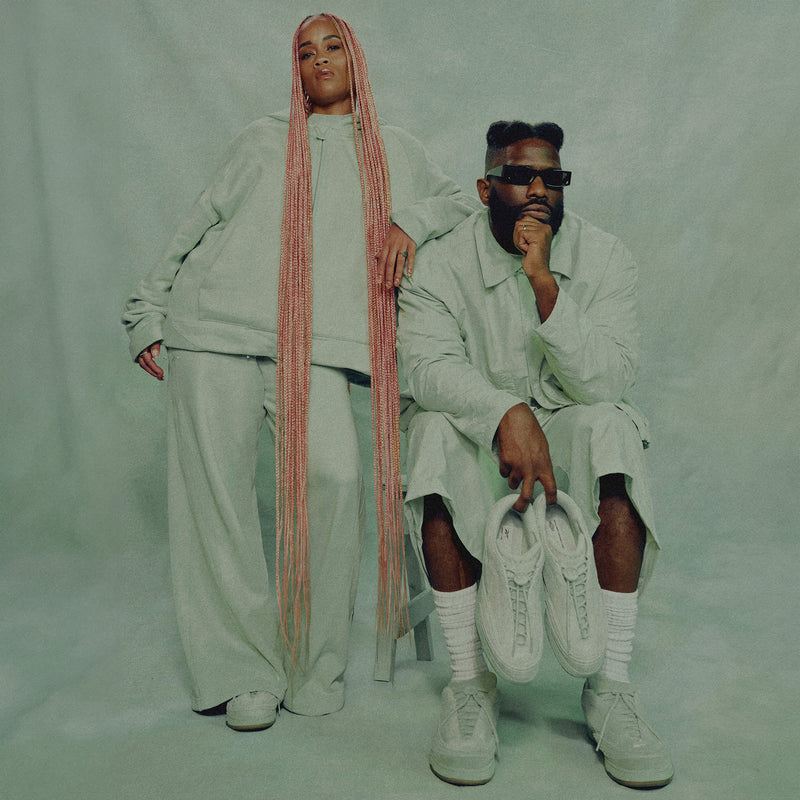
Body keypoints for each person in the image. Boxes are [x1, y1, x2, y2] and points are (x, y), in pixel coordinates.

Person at [122, 14, 478, 732]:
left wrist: (408, 220)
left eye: (333, 45)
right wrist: (146, 311)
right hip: (213, 331)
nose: (320, 59)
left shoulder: (395, 150)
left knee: (335, 480)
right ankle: (241, 673)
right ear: (296, 69)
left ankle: (314, 666)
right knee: (218, 504)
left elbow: (462, 204)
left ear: (356, 57)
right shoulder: (262, 140)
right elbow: (198, 223)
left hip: (315, 348)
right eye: (305, 51)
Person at [397, 120, 673, 788]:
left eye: (554, 177)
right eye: (521, 176)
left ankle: (610, 690)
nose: (540, 190)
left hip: (568, 423)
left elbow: (607, 380)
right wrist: (506, 414)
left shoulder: (605, 257)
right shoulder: (440, 263)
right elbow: (427, 368)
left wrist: (545, 283)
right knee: (429, 432)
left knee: (613, 427)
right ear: (486, 187)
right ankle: (470, 689)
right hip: (482, 431)